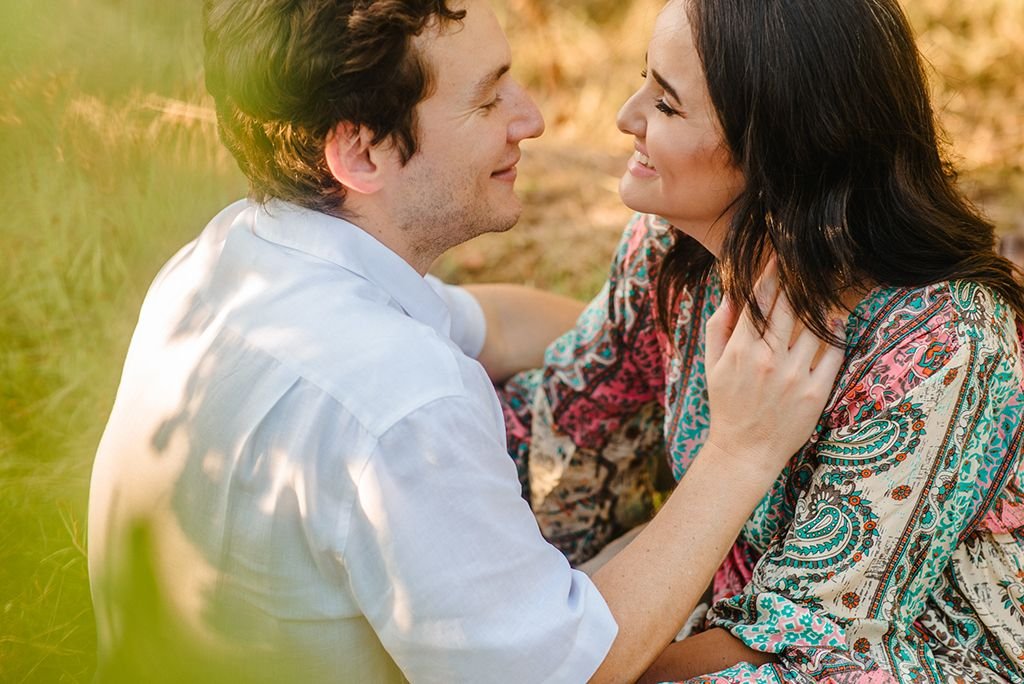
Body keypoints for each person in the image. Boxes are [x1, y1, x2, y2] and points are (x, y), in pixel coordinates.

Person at [86, 1, 845, 682]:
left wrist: (651, 333)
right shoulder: (405, 402)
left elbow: (493, 324)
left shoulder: (233, 255)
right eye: (488, 98)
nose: (532, 118)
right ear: (361, 153)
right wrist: (741, 449)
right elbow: (571, 673)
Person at [471, 0, 1024, 681]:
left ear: (779, 149)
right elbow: (571, 418)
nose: (625, 117)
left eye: (666, 104)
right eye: (645, 81)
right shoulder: (672, 248)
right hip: (730, 617)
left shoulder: (942, 342)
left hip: (908, 654)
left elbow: (812, 642)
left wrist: (571, 666)